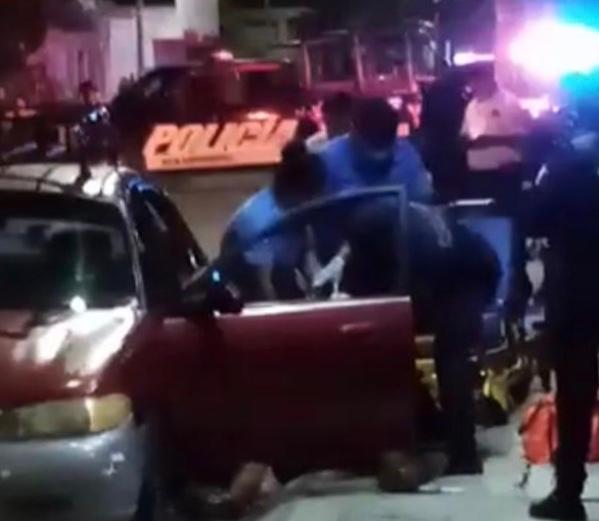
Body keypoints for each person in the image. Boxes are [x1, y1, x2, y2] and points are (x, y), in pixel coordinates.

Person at [528, 105, 599, 521]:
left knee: (575, 394)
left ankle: (569, 494)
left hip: (577, 290)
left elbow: (534, 216)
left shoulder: (566, 162)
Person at [222, 140, 324, 301]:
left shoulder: (298, 213)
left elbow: (309, 260)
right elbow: (266, 291)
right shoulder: (259, 225)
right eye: (314, 196)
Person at [319, 97, 433, 202]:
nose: (378, 155)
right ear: (353, 133)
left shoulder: (406, 154)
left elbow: (423, 200)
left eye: (383, 140)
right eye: (371, 142)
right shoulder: (329, 160)